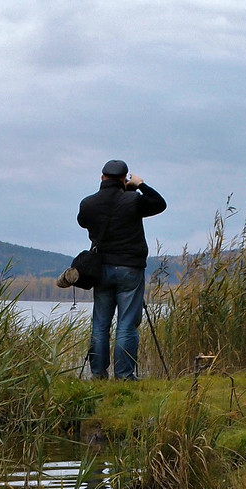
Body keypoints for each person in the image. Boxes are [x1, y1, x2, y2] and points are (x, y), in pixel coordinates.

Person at [77, 159, 166, 380]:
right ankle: (125, 376)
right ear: (124, 179)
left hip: (101, 270)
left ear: (102, 178)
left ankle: (98, 374)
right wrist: (140, 185)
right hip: (130, 269)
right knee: (126, 326)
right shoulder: (133, 200)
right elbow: (159, 204)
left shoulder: (89, 203)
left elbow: (83, 222)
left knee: (99, 325)